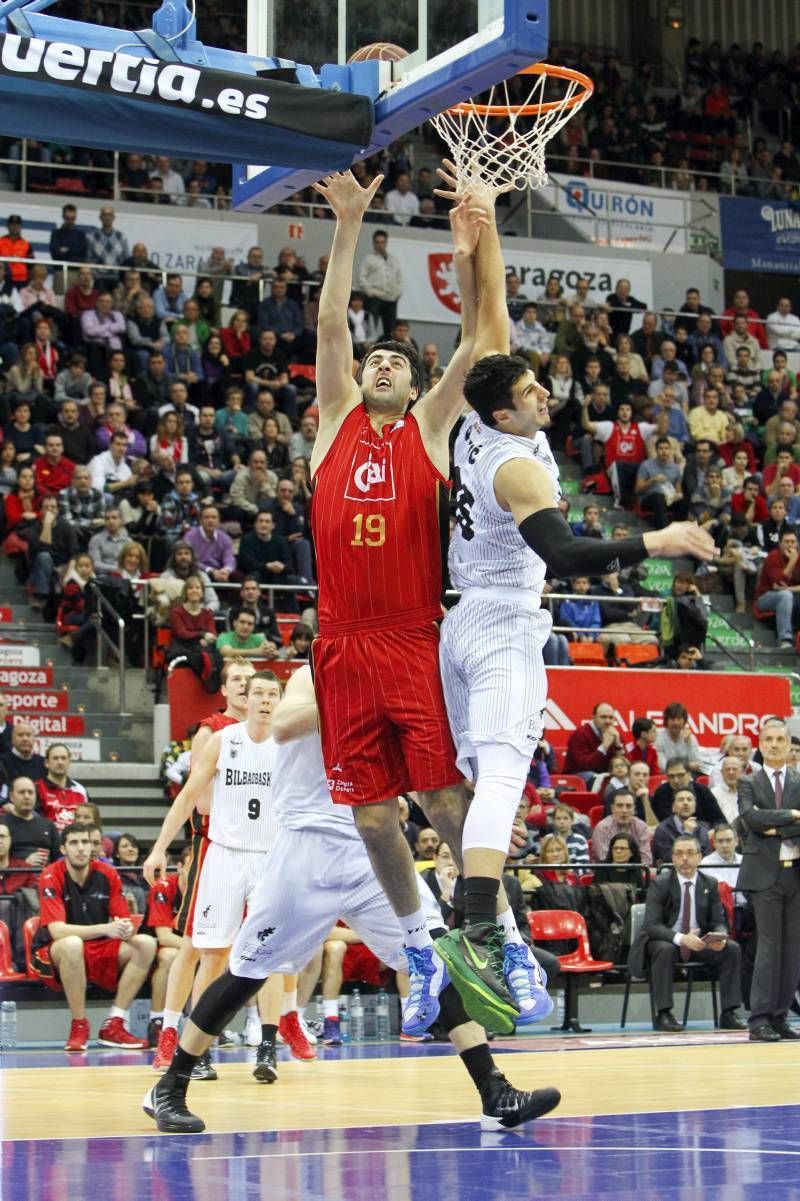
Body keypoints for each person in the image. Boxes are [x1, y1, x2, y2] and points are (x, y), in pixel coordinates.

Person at [429, 166, 716, 1032]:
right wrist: (653, 542)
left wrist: (484, 232)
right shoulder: (515, 464)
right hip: (501, 624)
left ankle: (475, 937)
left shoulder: (476, 417)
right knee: (504, 782)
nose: (545, 393)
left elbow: (492, 320)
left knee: (478, 793)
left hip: (460, 623)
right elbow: (562, 549)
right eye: (533, 394)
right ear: (508, 415)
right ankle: (479, 938)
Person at [143, 666, 559, 1133]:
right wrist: (370, 697)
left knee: (436, 958)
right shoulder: (311, 674)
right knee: (247, 973)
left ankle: (493, 1091)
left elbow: (425, 786)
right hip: (308, 846)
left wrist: (482, 817)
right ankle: (172, 1084)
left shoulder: (399, 680)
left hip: (372, 847)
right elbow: (283, 725)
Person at [307, 169, 504, 1036]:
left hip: (411, 636)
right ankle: (422, 950)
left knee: (445, 802)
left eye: (398, 359)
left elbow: (481, 340)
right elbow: (326, 323)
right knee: (373, 813)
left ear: (414, 381)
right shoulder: (333, 421)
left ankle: (498, 934)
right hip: (343, 642)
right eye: (372, 357)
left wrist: (474, 251)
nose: (382, 362)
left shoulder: (428, 428)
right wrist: (348, 224)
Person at [144, 671, 297, 1075]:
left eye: (272, 694)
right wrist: (159, 847)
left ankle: (268, 1046)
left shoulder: (290, 745)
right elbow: (189, 796)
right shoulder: (221, 741)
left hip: (270, 857)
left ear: (281, 701)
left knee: (269, 953)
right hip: (224, 856)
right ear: (244, 699)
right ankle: (200, 1048)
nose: (264, 700)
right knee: (211, 955)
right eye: (257, 693)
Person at [149, 659, 259, 1074]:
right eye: (237, 680)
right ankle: (170, 1035)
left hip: (255, 850)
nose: (246, 687)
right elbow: (199, 799)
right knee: (196, 944)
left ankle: (220, 1036)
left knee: (238, 949)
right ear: (226, 690)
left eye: (251, 680)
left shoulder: (267, 738)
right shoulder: (213, 729)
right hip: (212, 843)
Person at [31, 823, 157, 1051]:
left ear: (93, 847)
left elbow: (123, 918)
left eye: (85, 842)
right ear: (63, 849)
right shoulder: (50, 875)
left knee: (145, 944)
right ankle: (79, 1024)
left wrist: (125, 928)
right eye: (74, 843)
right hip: (52, 953)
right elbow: (56, 931)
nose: (80, 848)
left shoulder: (107, 873)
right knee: (72, 944)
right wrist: (105, 929)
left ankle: (114, 1023)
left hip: (97, 946)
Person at [627, 834, 745, 1033]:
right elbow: (652, 925)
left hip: (699, 942)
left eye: (690, 853)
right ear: (672, 858)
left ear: (700, 857)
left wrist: (719, 937)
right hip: (666, 940)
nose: (684, 859)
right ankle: (664, 1013)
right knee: (664, 950)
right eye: (679, 853)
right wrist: (682, 939)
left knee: (731, 949)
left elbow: (719, 922)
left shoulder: (710, 883)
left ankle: (729, 1012)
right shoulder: (660, 883)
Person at [737, 718, 800, 1041]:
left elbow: (763, 823)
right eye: (769, 739)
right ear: (760, 745)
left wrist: (773, 826)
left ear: (789, 745)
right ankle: (758, 1019)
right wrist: (794, 816)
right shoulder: (748, 782)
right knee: (769, 947)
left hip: (795, 874)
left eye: (780, 739)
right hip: (763, 876)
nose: (775, 744)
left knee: (792, 950)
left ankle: (779, 1017)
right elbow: (751, 819)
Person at [3, 775, 60, 865]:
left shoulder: (48, 825)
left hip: (45, 876)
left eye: (30, 792)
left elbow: (59, 858)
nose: (27, 796)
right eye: (22, 792)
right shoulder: (2, 825)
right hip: (13, 876)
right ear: (11, 796)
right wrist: (24, 864)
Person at [35, 744, 89, 832]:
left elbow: (90, 820)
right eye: (55, 758)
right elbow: (36, 822)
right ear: (46, 763)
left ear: (69, 762)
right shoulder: (37, 788)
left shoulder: (80, 790)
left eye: (63, 758)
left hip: (78, 839)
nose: (60, 762)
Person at [563, 701, 624, 778]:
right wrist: (604, 746)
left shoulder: (614, 734)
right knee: (591, 775)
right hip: (578, 776)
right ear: (593, 717)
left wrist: (618, 745)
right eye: (603, 717)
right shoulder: (580, 734)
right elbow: (584, 766)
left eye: (611, 718)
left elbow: (627, 765)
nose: (608, 721)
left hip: (604, 775)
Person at [591, 790, 652, 865]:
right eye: (620, 806)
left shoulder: (641, 826)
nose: (624, 810)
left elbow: (646, 860)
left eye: (628, 806)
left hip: (635, 872)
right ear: (612, 808)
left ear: (634, 809)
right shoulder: (602, 828)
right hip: (607, 873)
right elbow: (604, 859)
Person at [652, 787, 711, 863]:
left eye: (689, 800)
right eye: (681, 800)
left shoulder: (702, 830)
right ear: (673, 807)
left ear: (694, 807)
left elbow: (707, 859)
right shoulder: (662, 830)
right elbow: (668, 858)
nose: (685, 803)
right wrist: (687, 833)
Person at [655, 702, 706, 775]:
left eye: (679, 719)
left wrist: (689, 743)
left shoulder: (690, 737)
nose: (676, 723)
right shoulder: (658, 737)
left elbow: (697, 764)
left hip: (686, 777)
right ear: (666, 720)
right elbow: (663, 766)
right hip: (666, 776)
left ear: (684, 721)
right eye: (672, 719)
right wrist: (688, 766)